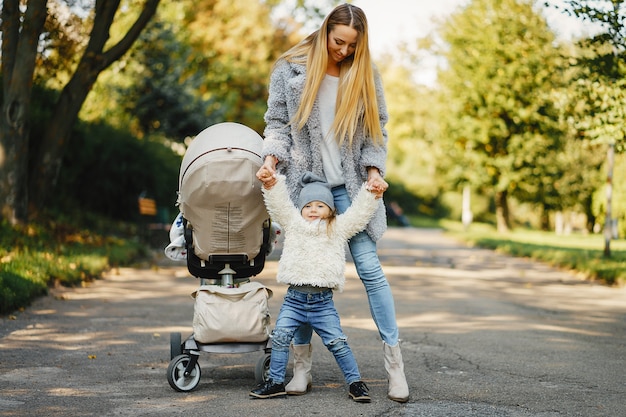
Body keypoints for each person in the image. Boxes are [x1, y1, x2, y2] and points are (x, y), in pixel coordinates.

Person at [255, 3, 409, 403]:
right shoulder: (289, 68)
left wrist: (374, 171)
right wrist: (270, 161)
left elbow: (377, 132)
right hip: (307, 188)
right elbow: (276, 124)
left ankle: (395, 366)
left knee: (371, 271)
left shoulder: (364, 75)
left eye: (352, 46)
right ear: (325, 32)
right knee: (305, 270)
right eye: (338, 42)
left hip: (348, 187)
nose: (343, 51)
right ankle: (302, 368)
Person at [249, 172, 378, 403]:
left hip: (322, 303)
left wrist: (371, 193)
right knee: (279, 337)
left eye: (320, 205)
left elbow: (358, 216)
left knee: (337, 342)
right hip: (294, 300)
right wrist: (271, 184)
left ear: (330, 209)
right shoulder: (294, 224)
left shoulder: (337, 227)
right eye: (308, 205)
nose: (313, 209)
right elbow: (280, 205)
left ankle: (356, 383)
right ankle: (276, 382)